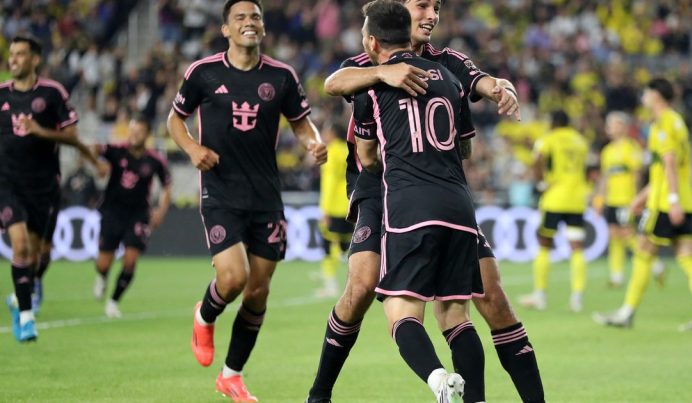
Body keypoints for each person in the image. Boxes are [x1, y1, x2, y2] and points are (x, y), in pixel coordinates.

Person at [307, 1, 544, 402]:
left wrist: (497, 87)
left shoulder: (446, 61)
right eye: (422, 5)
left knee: (492, 297)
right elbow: (337, 81)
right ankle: (319, 394)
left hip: (429, 185)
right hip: (381, 188)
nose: (432, 14)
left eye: (436, 6)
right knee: (362, 286)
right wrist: (382, 71)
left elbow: (480, 80)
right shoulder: (370, 61)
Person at [166, 1, 327, 401]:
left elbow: (301, 123)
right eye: (240, 18)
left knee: (258, 292)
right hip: (220, 190)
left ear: (263, 28)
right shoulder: (203, 73)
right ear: (225, 29)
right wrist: (191, 150)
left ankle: (231, 375)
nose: (249, 23)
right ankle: (204, 316)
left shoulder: (282, 76)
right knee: (233, 278)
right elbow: (175, 120)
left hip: (266, 196)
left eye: (255, 17)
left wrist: (314, 144)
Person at [353, 1, 484, 400]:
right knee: (456, 316)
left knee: (401, 310)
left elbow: (366, 155)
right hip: (460, 206)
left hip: (410, 207)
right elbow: (465, 151)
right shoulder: (449, 77)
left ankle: (438, 380)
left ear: (372, 42)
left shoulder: (372, 82)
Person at [594, 78, 692, 331]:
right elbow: (663, 170)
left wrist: (671, 200)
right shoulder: (676, 121)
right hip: (679, 198)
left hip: (665, 204)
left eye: (647, 92)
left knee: (643, 253)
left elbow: (669, 162)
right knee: (687, 256)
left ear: (656, 95)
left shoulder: (664, 123)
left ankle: (626, 313)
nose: (644, 96)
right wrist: (642, 197)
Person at [0, 35, 97, 342]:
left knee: (41, 254)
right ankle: (27, 318)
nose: (13, 59)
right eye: (11, 54)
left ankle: (22, 295)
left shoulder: (52, 93)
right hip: (7, 184)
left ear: (35, 59)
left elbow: (71, 136)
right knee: (21, 247)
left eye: (20, 54)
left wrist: (41, 131)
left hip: (43, 186)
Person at [91, 115, 172, 318]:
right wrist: (97, 166)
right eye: (132, 131)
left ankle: (113, 301)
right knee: (103, 263)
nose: (134, 135)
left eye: (139, 132)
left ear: (147, 135)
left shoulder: (155, 160)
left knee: (130, 261)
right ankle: (102, 277)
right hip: (112, 211)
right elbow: (93, 148)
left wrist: (160, 211)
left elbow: (167, 186)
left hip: (138, 215)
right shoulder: (116, 150)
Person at [518, 110, 589, 312]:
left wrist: (541, 183)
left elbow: (537, 160)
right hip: (576, 199)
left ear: (553, 122)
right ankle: (577, 298)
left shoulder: (547, 139)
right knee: (577, 247)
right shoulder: (580, 141)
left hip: (555, 198)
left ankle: (540, 295)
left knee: (544, 244)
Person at [596, 112, 643, 287]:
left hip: (626, 198)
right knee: (614, 235)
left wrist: (637, 198)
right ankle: (617, 276)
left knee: (627, 233)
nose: (611, 128)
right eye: (610, 124)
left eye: (615, 124)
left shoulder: (632, 148)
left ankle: (653, 264)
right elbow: (604, 178)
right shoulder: (607, 151)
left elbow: (637, 174)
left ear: (624, 127)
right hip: (612, 199)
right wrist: (600, 199)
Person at [316, 124, 353, 297]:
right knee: (349, 247)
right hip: (350, 204)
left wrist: (324, 209)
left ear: (333, 133)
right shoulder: (349, 149)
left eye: (325, 131)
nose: (323, 134)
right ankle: (354, 281)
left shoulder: (330, 152)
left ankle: (330, 284)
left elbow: (329, 182)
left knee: (329, 246)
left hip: (334, 207)